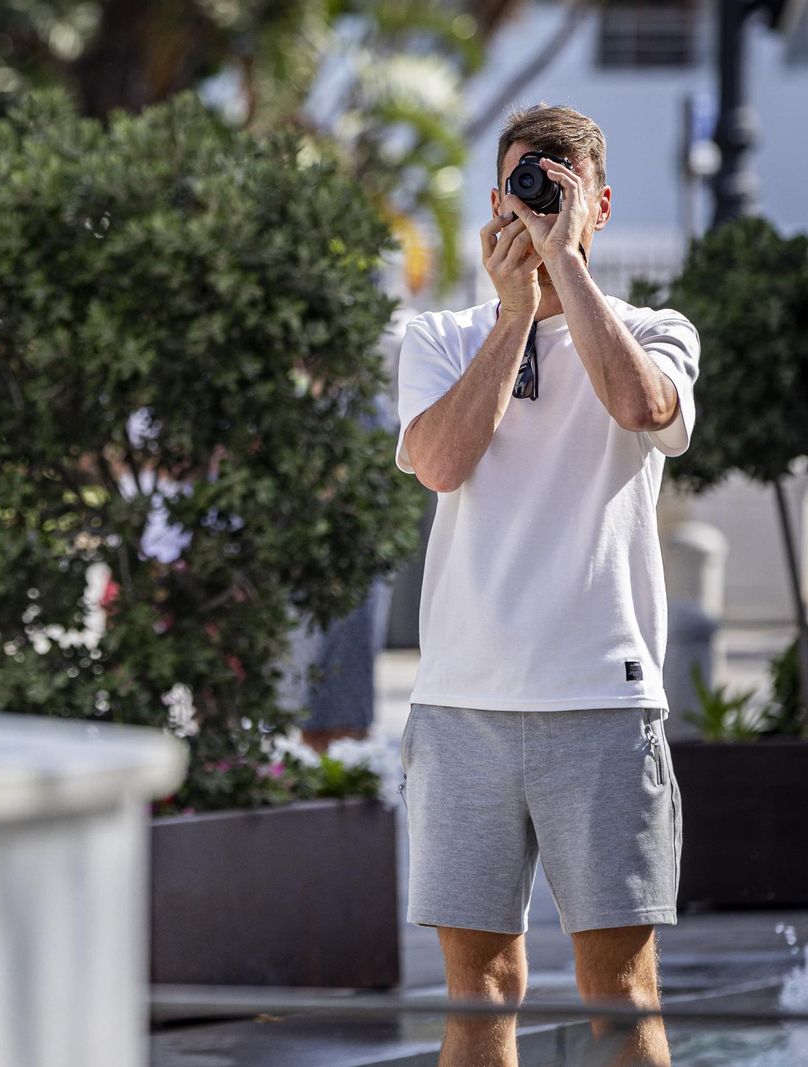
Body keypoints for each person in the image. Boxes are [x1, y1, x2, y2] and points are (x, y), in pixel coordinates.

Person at [395, 105, 699, 1067]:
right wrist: (514, 316)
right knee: (479, 993)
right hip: (463, 706)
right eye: (524, 187)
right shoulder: (442, 335)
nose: (534, 207)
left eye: (559, 189)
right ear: (495, 200)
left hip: (603, 705)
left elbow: (642, 407)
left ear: (599, 205)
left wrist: (565, 270)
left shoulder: (654, 329)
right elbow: (440, 464)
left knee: (623, 995)